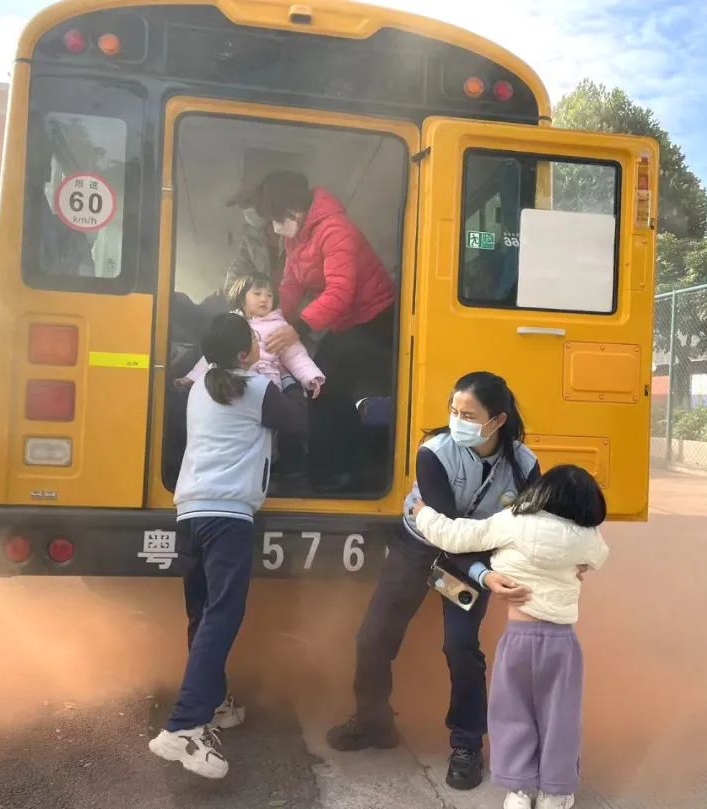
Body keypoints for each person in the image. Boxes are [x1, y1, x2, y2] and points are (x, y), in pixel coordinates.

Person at [327, 372, 541, 791]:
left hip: (473, 558)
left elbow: (535, 526)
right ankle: (373, 723)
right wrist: (484, 573)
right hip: (420, 547)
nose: (457, 420)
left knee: (460, 646)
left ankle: (466, 744)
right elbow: (443, 530)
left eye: (468, 414)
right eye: (453, 411)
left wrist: (568, 559)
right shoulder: (434, 452)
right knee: (373, 637)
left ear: (497, 421)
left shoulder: (525, 465)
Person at [148, 313, 306, 779]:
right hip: (228, 517)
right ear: (243, 354)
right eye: (255, 343)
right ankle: (182, 727)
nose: (261, 349)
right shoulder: (257, 390)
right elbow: (298, 423)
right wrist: (297, 380)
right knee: (223, 614)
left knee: (202, 612)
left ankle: (213, 704)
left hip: (191, 514)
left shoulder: (200, 388)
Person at [411, 465, 609, 809]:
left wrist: (422, 512)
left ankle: (519, 790)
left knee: (512, 712)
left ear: (541, 493)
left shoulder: (512, 522)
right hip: (562, 644)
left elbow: (454, 535)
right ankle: (556, 792)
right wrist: (583, 564)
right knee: (559, 716)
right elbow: (600, 557)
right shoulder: (587, 539)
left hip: (518, 639)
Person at [253, 171, 395, 491]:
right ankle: (322, 469)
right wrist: (273, 318)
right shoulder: (295, 237)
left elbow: (340, 292)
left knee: (324, 384)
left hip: (376, 319)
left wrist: (297, 330)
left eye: (276, 219)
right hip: (346, 320)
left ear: (294, 210)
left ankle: (336, 472)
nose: (275, 228)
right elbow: (290, 285)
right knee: (322, 383)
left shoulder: (335, 230)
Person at [182, 273, 324, 397]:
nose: (264, 299)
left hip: (268, 384)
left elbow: (296, 356)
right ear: (242, 299)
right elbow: (212, 356)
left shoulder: (279, 326)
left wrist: (311, 377)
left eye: (269, 295)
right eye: (257, 294)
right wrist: (193, 378)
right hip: (233, 384)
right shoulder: (230, 324)